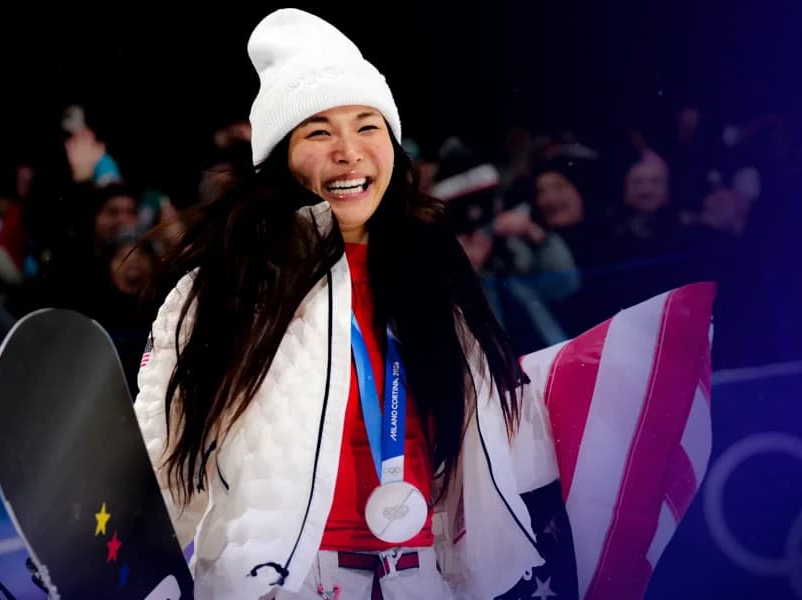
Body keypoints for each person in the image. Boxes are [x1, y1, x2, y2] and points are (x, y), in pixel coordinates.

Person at [134, 9, 574, 599]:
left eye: (368, 126)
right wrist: (118, 562)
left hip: (424, 578)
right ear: (280, 157)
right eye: (318, 133)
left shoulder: (436, 274)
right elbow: (162, 449)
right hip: (283, 585)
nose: (349, 151)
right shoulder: (225, 285)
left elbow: (499, 428)